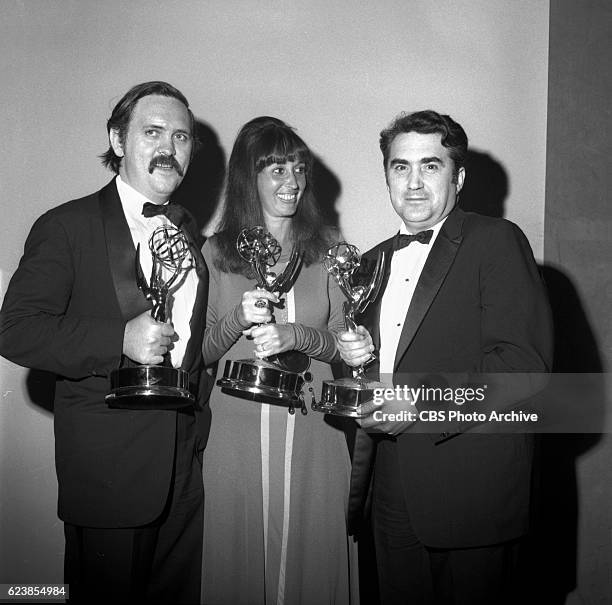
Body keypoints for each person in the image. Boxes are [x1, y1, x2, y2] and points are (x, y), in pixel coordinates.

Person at [0, 81, 211, 604]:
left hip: (183, 474)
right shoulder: (66, 225)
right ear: (118, 140)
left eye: (181, 137)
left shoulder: (189, 232)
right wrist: (119, 338)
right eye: (153, 132)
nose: (170, 148)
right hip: (109, 478)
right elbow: (15, 328)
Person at [336, 110, 553, 604]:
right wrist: (355, 359)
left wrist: (417, 401)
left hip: (470, 489)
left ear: (458, 177)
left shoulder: (496, 240)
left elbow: (525, 367)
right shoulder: (370, 263)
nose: (413, 183)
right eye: (399, 167)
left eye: (430, 166)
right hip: (388, 486)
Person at [201, 116, 358, 605]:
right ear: (249, 177)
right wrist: (235, 322)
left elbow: (341, 348)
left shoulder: (328, 250)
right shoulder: (216, 253)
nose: (292, 183)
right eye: (276, 170)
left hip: (314, 434)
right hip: (237, 433)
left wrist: (297, 335)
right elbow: (199, 356)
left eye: (299, 168)